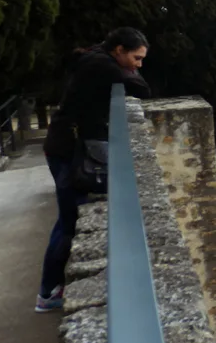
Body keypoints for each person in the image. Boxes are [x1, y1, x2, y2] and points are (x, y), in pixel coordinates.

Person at [35, 27, 152, 312]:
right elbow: (142, 90)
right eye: (136, 58)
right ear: (119, 50)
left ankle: (50, 288)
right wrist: (129, 76)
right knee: (70, 221)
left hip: (65, 146)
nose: (138, 65)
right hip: (68, 151)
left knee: (68, 218)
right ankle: (48, 292)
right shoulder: (101, 65)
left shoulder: (95, 59)